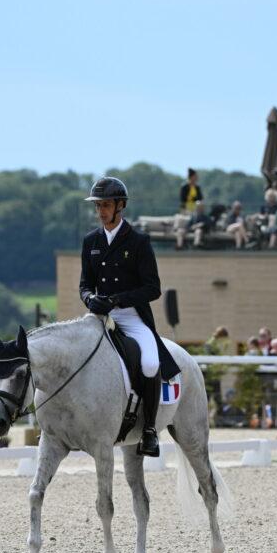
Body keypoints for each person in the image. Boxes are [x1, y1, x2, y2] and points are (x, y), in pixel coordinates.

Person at [79, 176, 180, 457]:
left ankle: (149, 431)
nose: (101, 211)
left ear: (120, 206)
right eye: (98, 205)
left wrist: (117, 300)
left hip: (131, 316)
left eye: (106, 205)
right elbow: (85, 284)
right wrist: (89, 298)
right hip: (99, 315)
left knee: (149, 363)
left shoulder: (138, 242)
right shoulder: (91, 242)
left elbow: (153, 288)